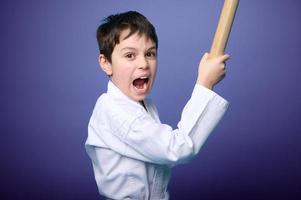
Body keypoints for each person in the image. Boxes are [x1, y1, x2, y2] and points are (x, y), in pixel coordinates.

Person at [85, 11, 230, 200]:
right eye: (130, 55)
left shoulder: (142, 105)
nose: (144, 63)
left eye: (150, 53)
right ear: (106, 63)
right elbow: (178, 148)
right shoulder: (116, 112)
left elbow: (159, 154)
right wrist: (205, 83)